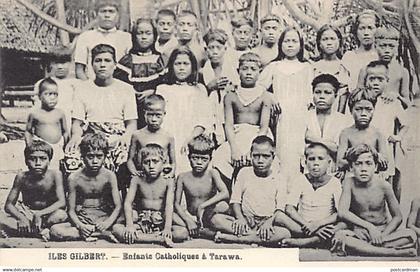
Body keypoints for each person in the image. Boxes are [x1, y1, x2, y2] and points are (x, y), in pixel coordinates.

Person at [331, 144, 417, 257]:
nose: (363, 169)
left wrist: (382, 236)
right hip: (360, 231)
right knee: (340, 237)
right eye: (358, 164)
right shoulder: (349, 183)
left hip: (383, 231)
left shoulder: (384, 186)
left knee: (410, 235)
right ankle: (393, 252)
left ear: (376, 167)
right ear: (351, 167)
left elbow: (398, 217)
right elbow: (343, 212)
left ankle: (368, 248)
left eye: (368, 163)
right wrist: (369, 227)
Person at [65, 44, 137, 176]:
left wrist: (126, 136)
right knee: (71, 158)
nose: (102, 65)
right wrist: (76, 136)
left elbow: (132, 123)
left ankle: (120, 196)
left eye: (107, 60)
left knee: (126, 160)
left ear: (115, 65)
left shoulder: (126, 89)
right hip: (90, 137)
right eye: (98, 61)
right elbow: (77, 122)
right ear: (92, 65)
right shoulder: (82, 88)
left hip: (117, 137)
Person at [210, 136, 291, 245]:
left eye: (265, 156)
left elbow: (280, 208)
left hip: (267, 222)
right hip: (246, 221)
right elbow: (235, 201)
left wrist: (269, 222)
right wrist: (240, 219)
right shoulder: (244, 172)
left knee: (285, 233)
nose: (260, 160)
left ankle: (234, 239)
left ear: (273, 157)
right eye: (256, 156)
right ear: (250, 156)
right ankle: (255, 237)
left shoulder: (279, 177)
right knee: (216, 219)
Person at [258, 27, 313, 174]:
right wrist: (271, 97)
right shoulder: (274, 66)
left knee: (300, 149)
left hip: (301, 115)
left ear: (301, 45)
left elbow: (311, 94)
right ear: (280, 44)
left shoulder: (306, 67)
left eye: (294, 41)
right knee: (283, 150)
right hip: (282, 115)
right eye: (286, 41)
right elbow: (259, 88)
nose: (290, 45)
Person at [213, 52, 272, 186]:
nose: (249, 73)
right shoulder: (231, 96)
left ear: (260, 72)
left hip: (258, 137)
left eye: (253, 69)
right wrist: (234, 148)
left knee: (266, 158)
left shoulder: (265, 96)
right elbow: (228, 125)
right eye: (245, 69)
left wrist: (252, 149)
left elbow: (264, 126)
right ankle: (228, 192)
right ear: (238, 71)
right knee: (219, 157)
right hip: (236, 135)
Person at [50, 133, 122, 242]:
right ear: (82, 157)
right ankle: (102, 234)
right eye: (90, 156)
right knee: (55, 230)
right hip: (83, 217)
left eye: (99, 156)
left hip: (104, 217)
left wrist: (107, 223)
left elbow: (118, 206)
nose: (95, 161)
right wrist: (80, 226)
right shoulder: (74, 178)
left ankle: (98, 232)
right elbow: (71, 210)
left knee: (126, 218)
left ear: (105, 156)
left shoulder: (109, 176)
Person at [155, 46, 213, 174]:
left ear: (192, 66)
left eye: (186, 64)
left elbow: (204, 120)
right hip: (168, 136)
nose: (181, 68)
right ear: (171, 66)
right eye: (177, 64)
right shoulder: (163, 89)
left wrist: (189, 139)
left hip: (191, 137)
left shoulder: (199, 89)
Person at [281, 143, 344, 248]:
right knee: (280, 217)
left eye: (320, 159)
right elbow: (289, 208)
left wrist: (318, 224)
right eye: (312, 159)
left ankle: (307, 241)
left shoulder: (334, 183)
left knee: (343, 224)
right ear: (305, 163)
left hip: (324, 225)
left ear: (329, 163)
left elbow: (340, 213)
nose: (316, 163)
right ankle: (316, 238)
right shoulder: (300, 180)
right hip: (302, 226)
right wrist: (307, 224)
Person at [112, 144, 175, 246]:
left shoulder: (168, 181)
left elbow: (169, 205)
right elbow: (128, 203)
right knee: (116, 229)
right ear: (141, 164)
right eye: (146, 162)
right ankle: (158, 239)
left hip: (160, 218)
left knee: (181, 233)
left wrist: (167, 228)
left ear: (163, 163)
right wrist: (130, 225)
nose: (151, 166)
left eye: (155, 161)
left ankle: (142, 237)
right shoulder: (136, 179)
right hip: (141, 217)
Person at [4, 141, 67, 240]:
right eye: (32, 159)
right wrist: (22, 218)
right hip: (28, 213)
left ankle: (30, 231)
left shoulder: (55, 175)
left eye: (43, 159)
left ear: (49, 160)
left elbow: (62, 202)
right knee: (2, 219)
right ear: (26, 161)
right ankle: (41, 231)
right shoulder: (21, 177)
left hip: (48, 213)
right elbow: (9, 205)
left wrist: (40, 214)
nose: (38, 163)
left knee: (61, 215)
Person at [365, 60, 409, 200]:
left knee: (385, 185)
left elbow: (406, 123)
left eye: (380, 79)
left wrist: (398, 137)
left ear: (387, 81)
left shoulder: (392, 102)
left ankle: (388, 217)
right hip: (365, 149)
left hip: (385, 151)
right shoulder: (360, 100)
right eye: (372, 79)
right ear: (366, 81)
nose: (376, 83)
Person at [172, 135, 229, 240]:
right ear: (189, 157)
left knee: (223, 205)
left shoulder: (213, 173)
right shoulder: (182, 177)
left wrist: (203, 206)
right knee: (170, 214)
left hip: (207, 214)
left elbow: (225, 193)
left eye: (204, 159)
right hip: (191, 216)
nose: (199, 162)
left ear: (210, 159)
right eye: (195, 158)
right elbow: (176, 204)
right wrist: (188, 220)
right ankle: (201, 230)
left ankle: (199, 231)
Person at [113, 17, 166, 128]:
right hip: (132, 107)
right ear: (134, 36)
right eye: (140, 33)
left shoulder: (160, 60)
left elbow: (166, 83)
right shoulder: (127, 60)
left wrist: (153, 91)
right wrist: (131, 93)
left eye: (148, 33)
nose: (144, 37)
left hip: (155, 108)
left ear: (154, 36)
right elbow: (118, 85)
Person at [336, 87, 388, 178]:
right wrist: (371, 158)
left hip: (373, 179)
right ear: (351, 110)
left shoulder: (378, 134)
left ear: (374, 110)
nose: (363, 113)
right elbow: (340, 163)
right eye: (358, 109)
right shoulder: (346, 133)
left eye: (368, 109)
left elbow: (384, 162)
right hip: (352, 178)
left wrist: (351, 155)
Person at [305, 74, 353, 169]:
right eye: (318, 92)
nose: (322, 96)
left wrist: (315, 140)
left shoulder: (345, 121)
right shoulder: (304, 117)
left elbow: (343, 152)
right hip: (308, 171)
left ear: (335, 96)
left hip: (335, 171)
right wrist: (331, 145)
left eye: (327, 92)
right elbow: (300, 149)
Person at [74, 0, 131, 80]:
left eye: (111, 12)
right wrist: (89, 87)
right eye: (103, 11)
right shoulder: (85, 37)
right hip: (92, 86)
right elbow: (79, 70)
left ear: (118, 15)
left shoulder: (127, 38)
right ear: (96, 14)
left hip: (120, 87)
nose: (107, 15)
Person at [201, 29, 239, 145]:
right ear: (206, 49)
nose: (215, 52)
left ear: (225, 49)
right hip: (210, 114)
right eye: (211, 48)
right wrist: (209, 87)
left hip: (229, 114)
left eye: (218, 48)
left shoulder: (233, 69)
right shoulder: (203, 71)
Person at [358, 26, 411, 109]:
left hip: (394, 114)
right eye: (383, 46)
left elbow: (407, 103)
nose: (387, 50)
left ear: (397, 47)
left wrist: (397, 96)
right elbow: (357, 98)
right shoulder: (366, 70)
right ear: (375, 46)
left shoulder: (402, 72)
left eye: (391, 46)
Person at [126, 94, 175, 178]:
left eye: (158, 115)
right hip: (142, 177)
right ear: (144, 113)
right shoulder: (137, 135)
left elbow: (173, 162)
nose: (154, 119)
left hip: (161, 178)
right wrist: (134, 172)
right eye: (150, 115)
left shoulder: (168, 136)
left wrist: (170, 174)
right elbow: (130, 160)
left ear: (164, 114)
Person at [25, 78, 69, 170]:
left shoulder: (60, 113)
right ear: (40, 96)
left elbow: (65, 131)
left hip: (57, 147)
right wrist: (29, 145)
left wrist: (66, 146)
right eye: (48, 94)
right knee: (40, 169)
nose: (52, 97)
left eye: (55, 94)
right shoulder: (35, 113)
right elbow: (28, 131)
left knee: (57, 169)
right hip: (41, 148)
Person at [34, 46, 78, 129]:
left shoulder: (75, 84)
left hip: (68, 122)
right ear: (50, 64)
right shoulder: (42, 83)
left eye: (64, 62)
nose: (60, 67)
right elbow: (37, 106)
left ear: (71, 63)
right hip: (47, 121)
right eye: (56, 63)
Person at [313, 24, 350, 113]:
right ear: (319, 43)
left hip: (339, 113)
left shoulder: (345, 66)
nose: (329, 43)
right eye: (325, 39)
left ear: (339, 41)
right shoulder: (312, 67)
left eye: (332, 39)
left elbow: (344, 94)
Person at [342, 10, 380, 92]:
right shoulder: (349, 57)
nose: (366, 33)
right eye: (362, 28)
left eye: (370, 28)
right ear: (356, 31)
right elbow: (343, 89)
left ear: (377, 29)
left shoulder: (381, 56)